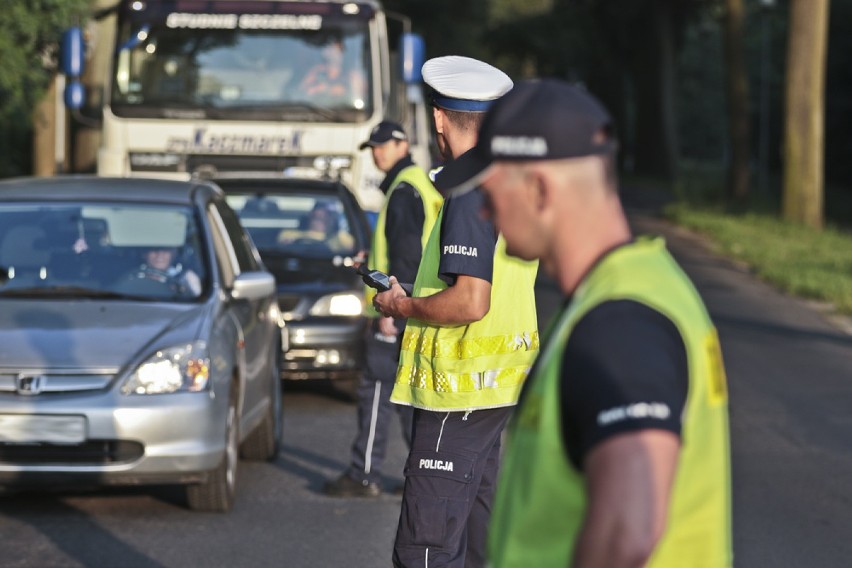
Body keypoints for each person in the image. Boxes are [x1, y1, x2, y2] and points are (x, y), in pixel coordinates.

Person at [436, 79, 733, 567]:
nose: (485, 212)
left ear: (539, 189)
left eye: (490, 192)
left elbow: (628, 529)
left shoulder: (617, 323)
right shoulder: (637, 287)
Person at [372, 56, 540, 568]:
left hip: (456, 392)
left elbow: (471, 300)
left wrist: (403, 304)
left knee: (426, 546)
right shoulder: (511, 182)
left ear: (440, 118)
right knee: (475, 534)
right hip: (495, 390)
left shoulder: (468, 190)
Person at [324, 120, 444, 498]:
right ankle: (424, 473)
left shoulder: (405, 189)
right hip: (412, 303)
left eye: (382, 145)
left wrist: (396, 310)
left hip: (395, 307)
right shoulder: (414, 184)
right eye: (372, 147)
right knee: (409, 396)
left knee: (376, 388)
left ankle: (364, 473)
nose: (377, 153)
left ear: (402, 144)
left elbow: (408, 255)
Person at [296, 38, 365, 103]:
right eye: (329, 49)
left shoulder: (352, 76)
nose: (332, 53)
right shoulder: (317, 71)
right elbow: (299, 93)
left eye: (336, 50)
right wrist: (313, 76)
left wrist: (326, 88)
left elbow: (360, 96)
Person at [124, 246, 201, 297]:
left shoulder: (187, 278)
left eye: (166, 249)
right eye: (154, 249)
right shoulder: (131, 277)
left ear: (173, 254)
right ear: (144, 254)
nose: (160, 254)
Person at [277, 202, 355, 253]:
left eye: (328, 214)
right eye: (319, 213)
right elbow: (279, 251)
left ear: (333, 219)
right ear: (311, 214)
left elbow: (356, 253)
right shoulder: (289, 233)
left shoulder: (340, 237)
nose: (323, 216)